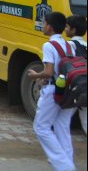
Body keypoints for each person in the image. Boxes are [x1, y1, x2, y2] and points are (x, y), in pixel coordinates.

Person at [26, 11, 77, 171]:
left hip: (54, 90)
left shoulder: (48, 45)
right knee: (62, 126)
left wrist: (36, 75)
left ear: (50, 26)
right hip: (69, 89)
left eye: (45, 22)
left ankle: (64, 166)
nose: (43, 25)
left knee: (41, 127)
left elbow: (48, 72)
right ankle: (68, 163)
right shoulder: (70, 45)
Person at [65, 14, 87, 134]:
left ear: (73, 30)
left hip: (76, 87)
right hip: (85, 86)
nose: (65, 29)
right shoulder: (86, 45)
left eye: (67, 27)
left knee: (63, 118)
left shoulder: (69, 45)